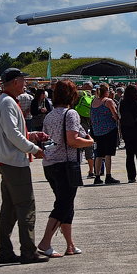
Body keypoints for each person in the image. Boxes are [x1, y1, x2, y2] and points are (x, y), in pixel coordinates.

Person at [0, 69, 47, 263]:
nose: (24, 85)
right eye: (22, 81)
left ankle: (5, 251)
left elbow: (12, 133)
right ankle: (28, 251)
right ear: (15, 82)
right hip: (14, 162)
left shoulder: (4, 102)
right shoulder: (7, 103)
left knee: (9, 208)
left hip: (7, 161)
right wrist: (33, 148)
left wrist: (31, 136)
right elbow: (13, 135)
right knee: (26, 206)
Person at [36, 80, 92, 258]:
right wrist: (90, 141)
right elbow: (73, 140)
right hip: (66, 164)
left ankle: (70, 244)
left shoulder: (50, 116)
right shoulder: (71, 114)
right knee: (63, 205)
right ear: (72, 95)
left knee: (66, 204)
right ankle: (45, 242)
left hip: (50, 163)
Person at [89, 83, 121, 185]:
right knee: (108, 154)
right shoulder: (108, 101)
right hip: (109, 130)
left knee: (99, 154)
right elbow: (116, 116)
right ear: (106, 91)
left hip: (97, 131)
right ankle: (108, 175)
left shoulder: (94, 101)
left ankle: (97, 176)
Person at [118, 84, 137, 183]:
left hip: (127, 131)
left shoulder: (122, 103)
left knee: (129, 155)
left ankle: (131, 177)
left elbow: (119, 115)